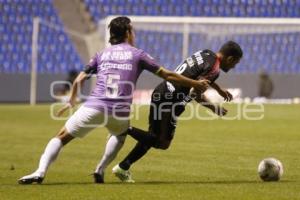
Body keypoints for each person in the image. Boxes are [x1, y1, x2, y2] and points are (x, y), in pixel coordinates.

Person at [18, 16, 209, 184]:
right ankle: (100, 169)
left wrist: (71, 101)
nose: (133, 33)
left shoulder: (101, 54)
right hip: (120, 111)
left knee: (61, 137)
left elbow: (79, 79)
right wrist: (194, 82)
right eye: (132, 30)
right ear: (127, 32)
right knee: (119, 135)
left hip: (95, 105)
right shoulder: (138, 54)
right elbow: (167, 75)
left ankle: (40, 172)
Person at [109, 41, 243, 183]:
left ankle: (123, 167)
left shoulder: (206, 53)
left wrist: (218, 89)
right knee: (162, 142)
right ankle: (123, 127)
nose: (234, 66)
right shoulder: (214, 69)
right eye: (235, 63)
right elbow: (196, 92)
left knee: (151, 136)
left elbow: (198, 74)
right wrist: (213, 108)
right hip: (170, 100)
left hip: (162, 91)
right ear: (230, 59)